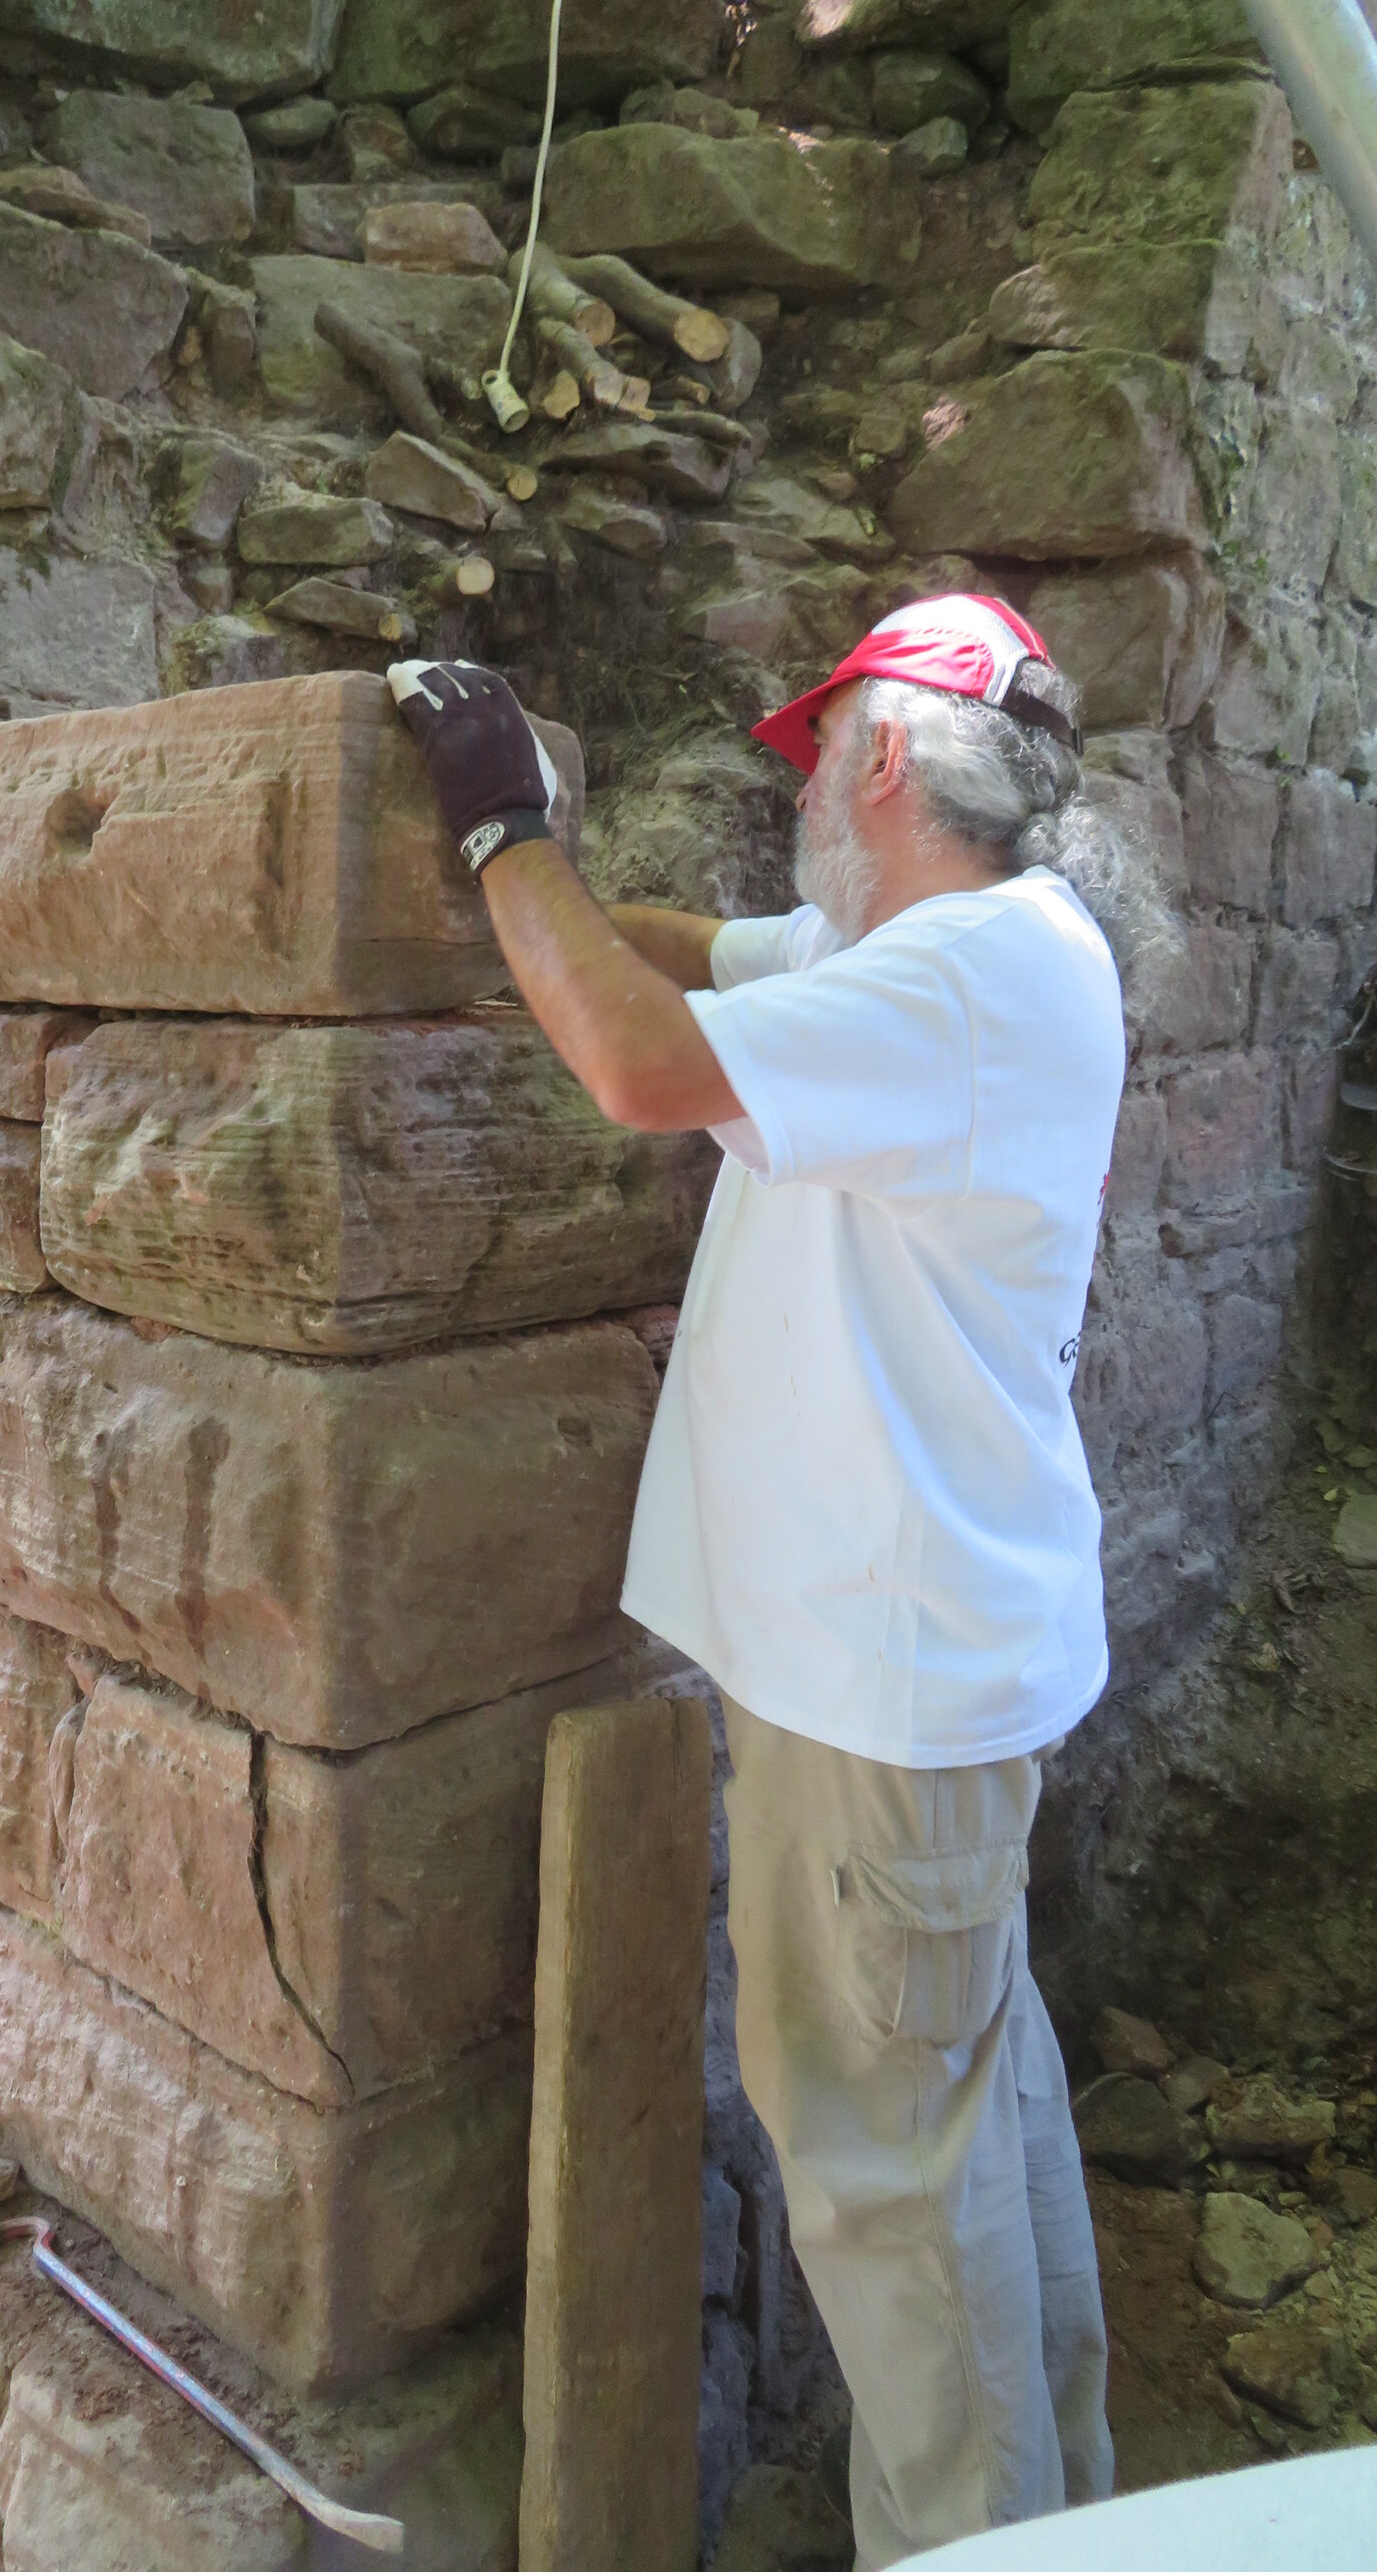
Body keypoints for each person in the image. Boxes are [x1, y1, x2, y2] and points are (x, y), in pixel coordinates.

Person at [387, 595, 1171, 2569]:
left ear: (887, 757)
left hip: (883, 1709)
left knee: (897, 2204)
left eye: (823, 756)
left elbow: (641, 1061)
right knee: (973, 2134)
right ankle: (1067, 2518)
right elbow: (690, 958)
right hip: (925, 1689)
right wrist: (542, 884)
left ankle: (984, 2540)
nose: (806, 790)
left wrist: (501, 829)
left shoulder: (967, 980)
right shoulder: (950, 950)